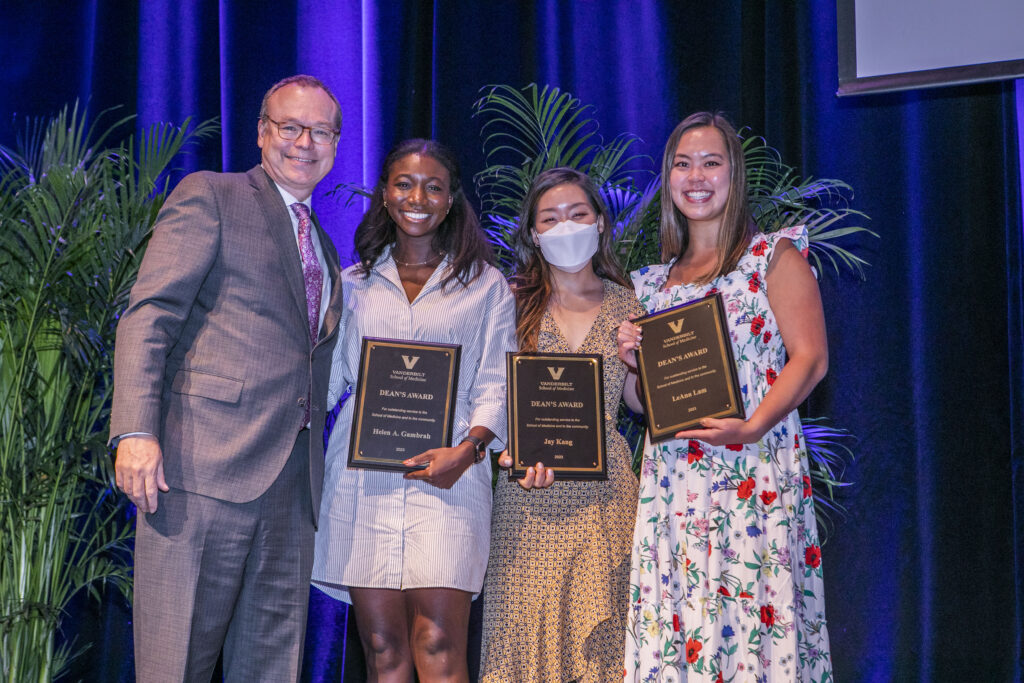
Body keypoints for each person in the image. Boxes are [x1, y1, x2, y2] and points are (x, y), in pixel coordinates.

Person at [109, 74, 344, 682]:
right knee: (174, 663)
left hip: (292, 490)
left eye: (320, 131)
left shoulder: (324, 244)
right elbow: (150, 313)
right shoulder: (211, 195)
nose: (304, 142)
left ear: (337, 144)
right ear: (262, 133)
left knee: (270, 667)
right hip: (199, 474)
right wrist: (135, 430)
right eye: (290, 127)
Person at [617, 112, 832, 681]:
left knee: (753, 623)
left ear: (734, 174)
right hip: (674, 486)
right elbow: (642, 405)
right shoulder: (648, 284)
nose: (697, 176)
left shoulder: (772, 258)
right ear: (668, 179)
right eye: (683, 164)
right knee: (684, 627)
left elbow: (811, 359)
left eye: (711, 162)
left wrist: (752, 425)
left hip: (752, 472)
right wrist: (633, 363)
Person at [312, 139, 516, 682]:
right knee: (382, 650)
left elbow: (497, 380)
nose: (416, 196)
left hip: (452, 480)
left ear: (451, 201)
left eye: (433, 186)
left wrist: (468, 451)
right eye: (403, 183)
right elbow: (328, 381)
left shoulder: (486, 287)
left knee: (440, 642)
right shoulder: (352, 285)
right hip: (363, 485)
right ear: (384, 194)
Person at [479, 167, 645, 682]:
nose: (565, 226)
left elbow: (637, 406)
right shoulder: (508, 301)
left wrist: (638, 363)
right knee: (522, 645)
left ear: (600, 223)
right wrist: (504, 452)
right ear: (533, 234)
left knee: (602, 654)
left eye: (577, 214)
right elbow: (487, 393)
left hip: (605, 501)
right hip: (528, 500)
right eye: (550, 218)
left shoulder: (629, 303)